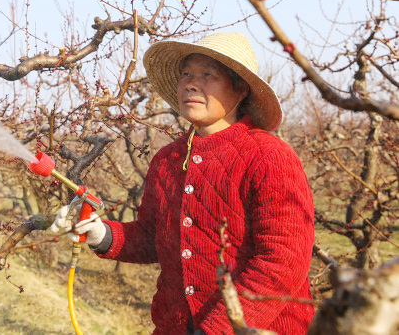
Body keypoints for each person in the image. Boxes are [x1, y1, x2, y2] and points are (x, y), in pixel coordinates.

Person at [51, 32, 315, 335]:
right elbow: (155, 237)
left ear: (240, 88)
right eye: (186, 74)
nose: (191, 83)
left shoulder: (269, 157)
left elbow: (282, 262)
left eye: (208, 75)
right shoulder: (167, 160)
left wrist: (219, 329)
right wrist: (101, 233)